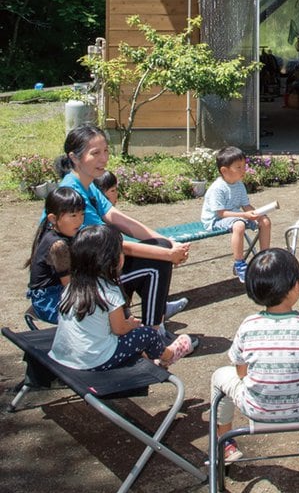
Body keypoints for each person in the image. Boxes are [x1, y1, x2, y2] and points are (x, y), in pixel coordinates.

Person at [54, 125, 190, 338]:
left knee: (160, 248)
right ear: (74, 157)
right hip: (82, 280)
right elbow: (109, 245)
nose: (104, 158)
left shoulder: (87, 185)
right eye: (95, 153)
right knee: (157, 263)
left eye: (106, 151)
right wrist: (168, 254)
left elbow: (122, 221)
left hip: (97, 267)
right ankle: (154, 334)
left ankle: (155, 323)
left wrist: (167, 242)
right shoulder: (73, 194)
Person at [210, 247, 299, 463]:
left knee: (219, 377)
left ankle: (225, 441)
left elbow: (241, 372)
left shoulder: (248, 325)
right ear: (295, 286)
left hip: (256, 408)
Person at [49, 226, 193, 371]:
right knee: (147, 334)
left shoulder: (72, 285)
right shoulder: (109, 291)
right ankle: (169, 355)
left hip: (64, 357)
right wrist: (131, 324)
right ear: (112, 260)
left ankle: (149, 357)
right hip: (96, 361)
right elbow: (119, 329)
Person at [200, 146, 273, 283]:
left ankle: (264, 258)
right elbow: (221, 213)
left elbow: (246, 206)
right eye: (238, 167)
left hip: (235, 216)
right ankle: (239, 264)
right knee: (239, 225)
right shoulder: (218, 188)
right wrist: (245, 216)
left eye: (244, 166)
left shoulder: (239, 185)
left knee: (265, 221)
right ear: (224, 170)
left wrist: (257, 213)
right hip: (215, 220)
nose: (243, 170)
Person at [26, 185, 85, 323]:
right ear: (53, 218)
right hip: (48, 300)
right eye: (73, 215)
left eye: (82, 214)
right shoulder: (58, 246)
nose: (80, 220)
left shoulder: (58, 231)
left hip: (56, 292)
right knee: (98, 314)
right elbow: (69, 286)